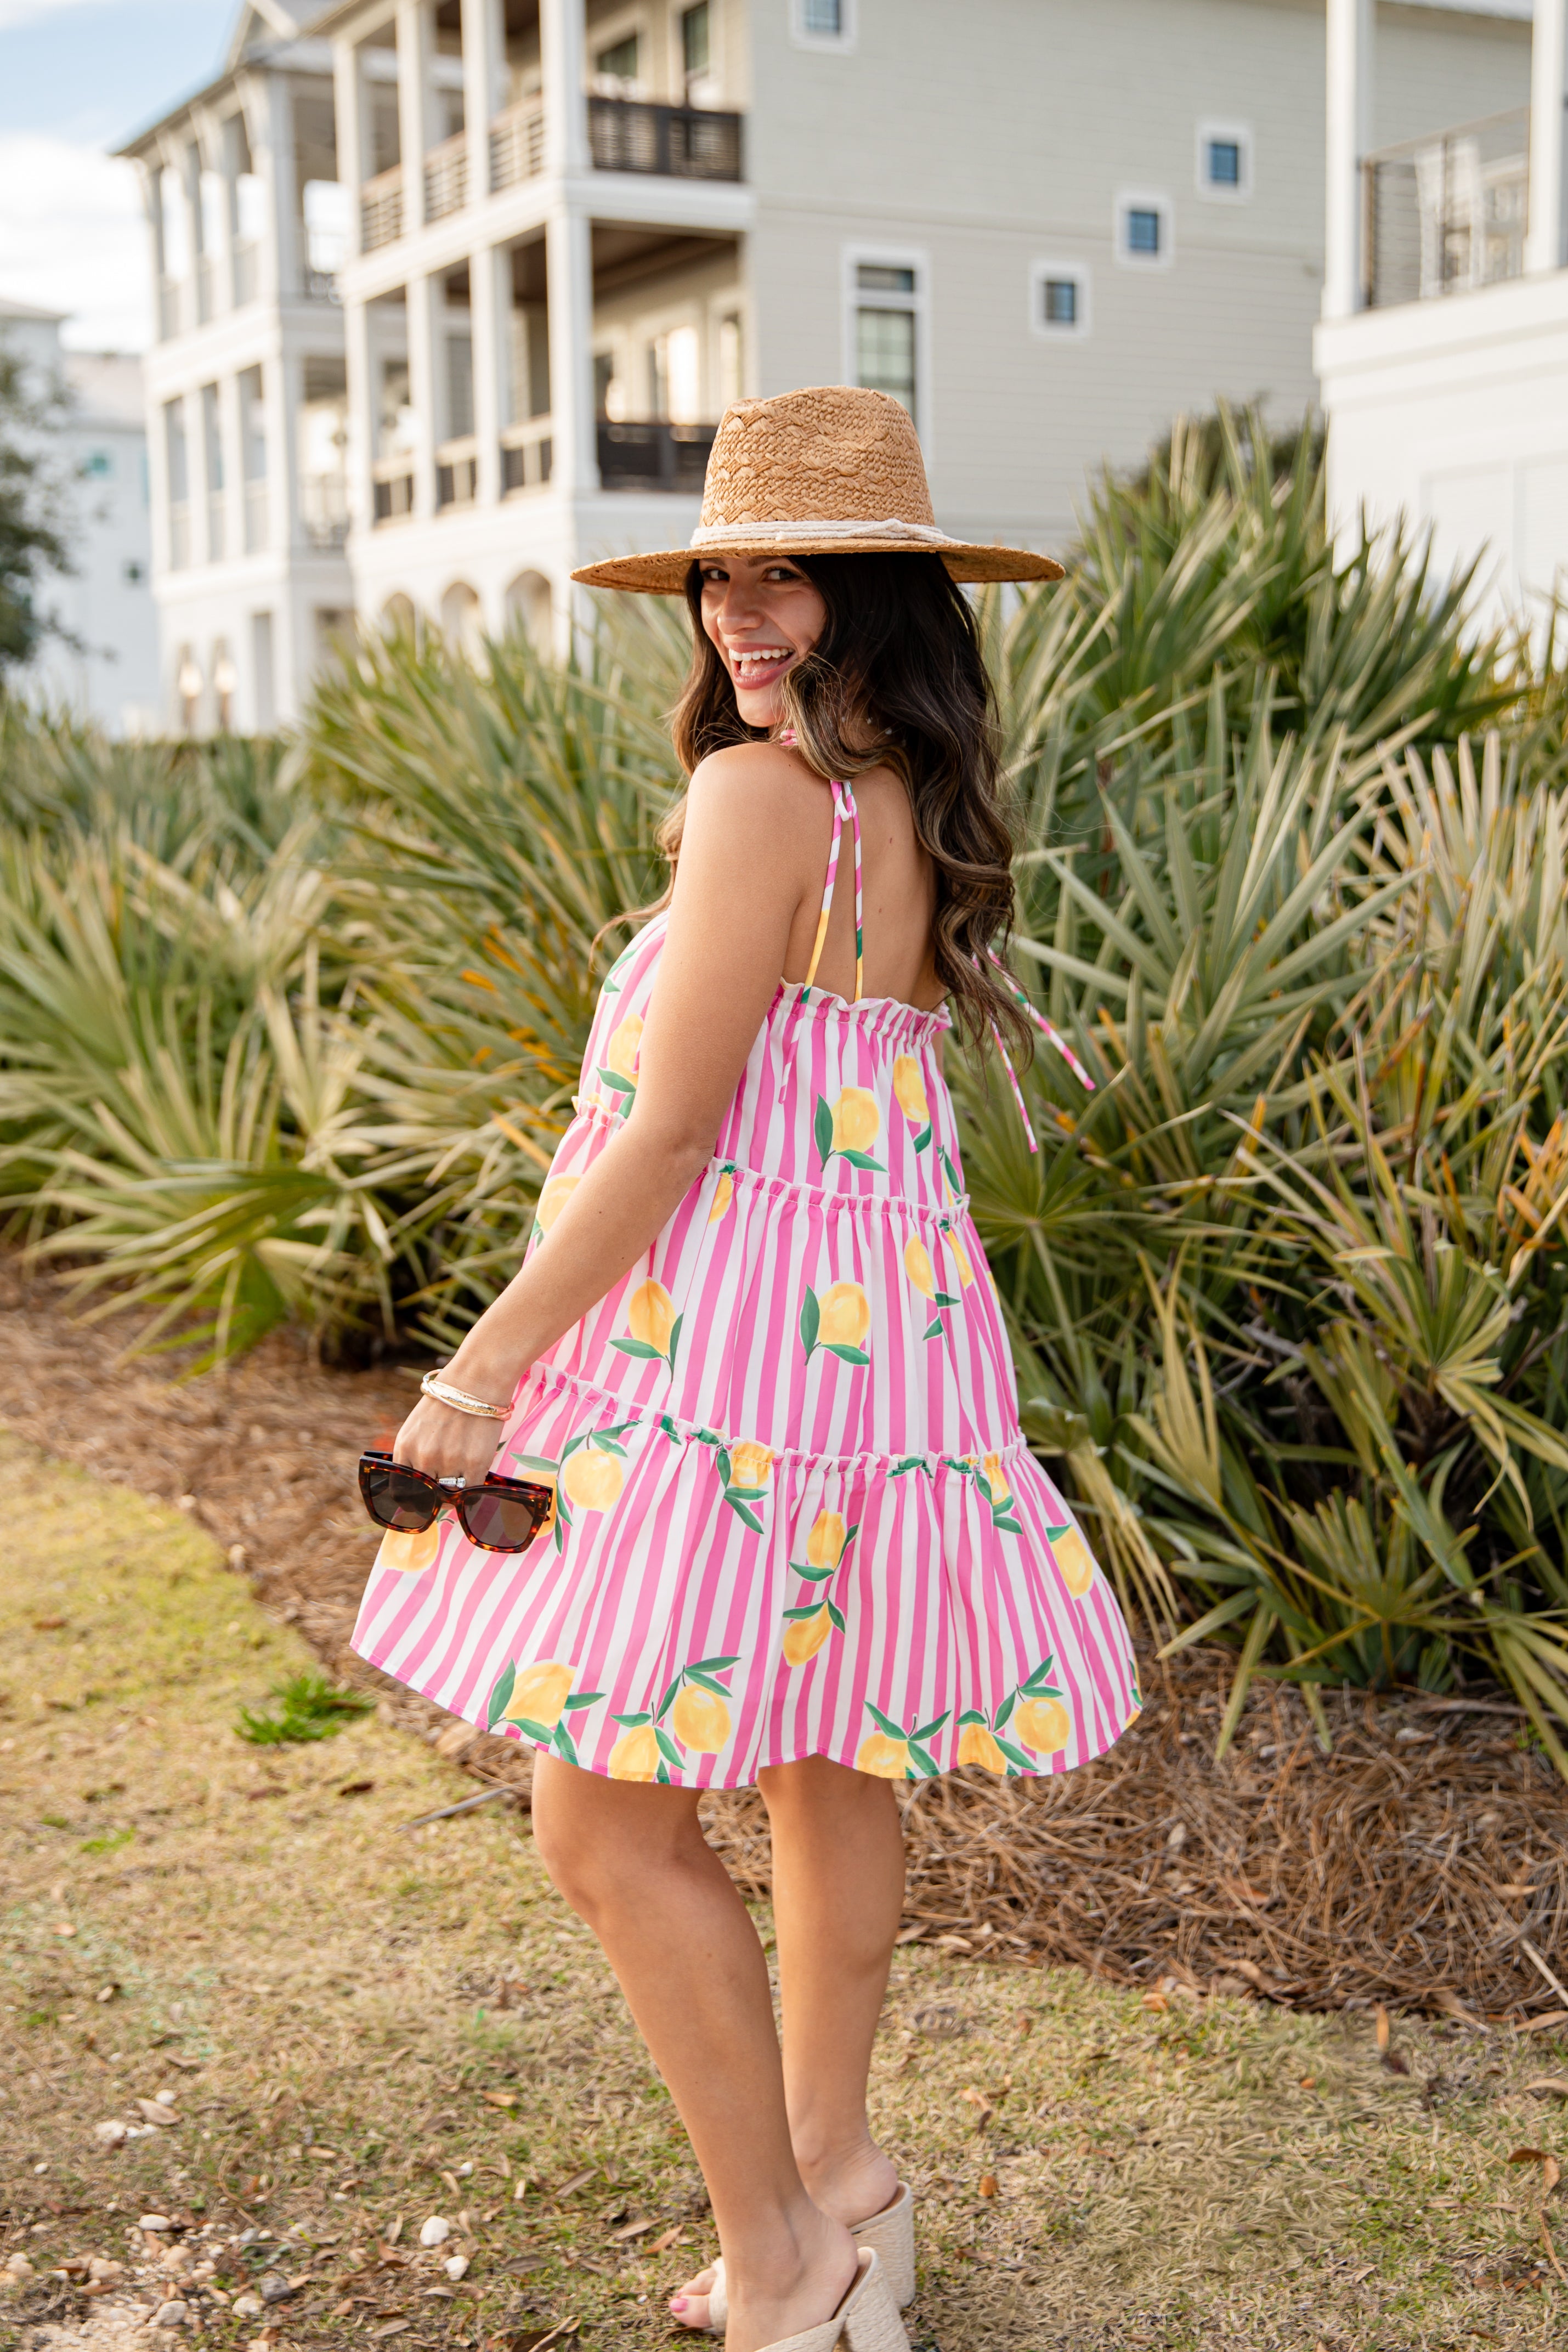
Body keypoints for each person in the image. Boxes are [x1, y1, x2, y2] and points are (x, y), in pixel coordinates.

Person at [352, 385, 1140, 2352]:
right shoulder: (899, 798)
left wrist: (480, 1372)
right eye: (723, 567)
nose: (741, 605)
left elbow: (679, 1125)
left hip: (718, 1345)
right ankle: (839, 2177)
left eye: (789, 568)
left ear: (879, 590)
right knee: (820, 1749)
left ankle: (788, 2259)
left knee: (601, 1822)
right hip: (878, 1353)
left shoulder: (753, 793)